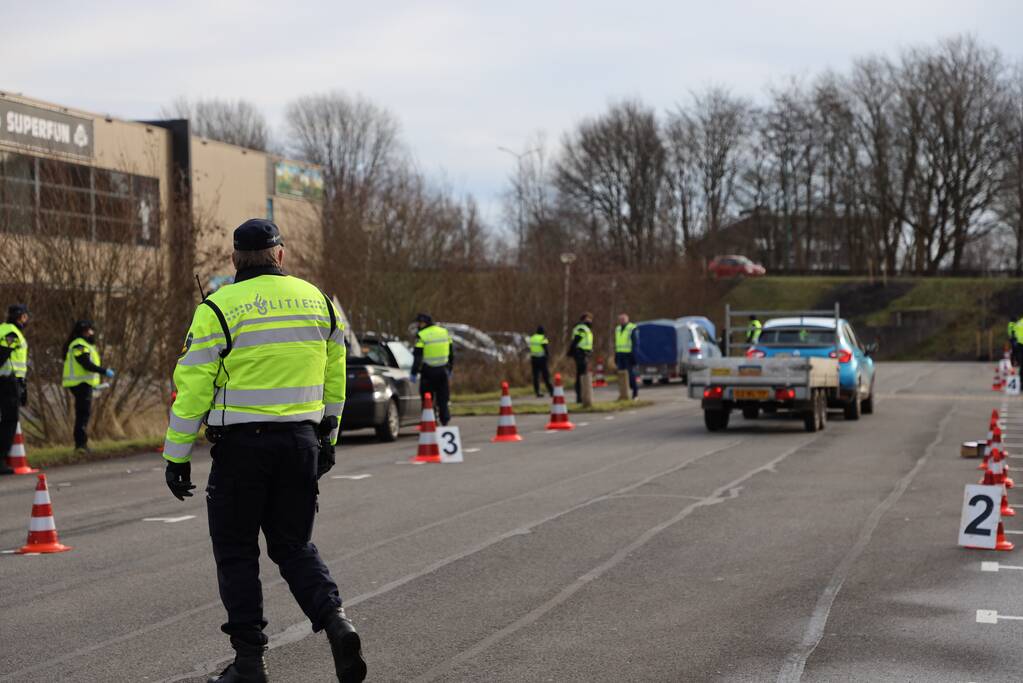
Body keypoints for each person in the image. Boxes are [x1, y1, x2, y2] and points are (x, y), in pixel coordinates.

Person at [162, 219, 366, 683]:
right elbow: (334, 376)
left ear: (235, 258)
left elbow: (192, 389)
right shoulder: (319, 301)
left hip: (242, 450)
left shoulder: (217, 308)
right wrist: (328, 437)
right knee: (293, 545)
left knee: (236, 553)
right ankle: (336, 621)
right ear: (280, 255)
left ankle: (250, 663)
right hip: (300, 444)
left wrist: (176, 456)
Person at [61, 320, 115, 453]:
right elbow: (85, 364)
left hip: (84, 384)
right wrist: (104, 371)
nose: (92, 333)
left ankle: (81, 444)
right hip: (80, 384)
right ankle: (80, 445)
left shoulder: (84, 344)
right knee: (83, 414)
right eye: (90, 330)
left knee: (84, 414)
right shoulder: (79, 345)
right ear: (84, 331)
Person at [0, 304, 29, 476]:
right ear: (20, 317)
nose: (26, 320)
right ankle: (1, 460)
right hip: (8, 381)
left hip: (8, 381)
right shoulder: (12, 333)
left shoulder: (2, 329)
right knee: (10, 420)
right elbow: (2, 354)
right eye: (25, 316)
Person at [411, 313, 453, 426]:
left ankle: (430, 421)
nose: (418, 325)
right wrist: (450, 368)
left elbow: (417, 356)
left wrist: (414, 372)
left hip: (428, 372)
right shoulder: (444, 332)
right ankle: (445, 420)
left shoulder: (422, 335)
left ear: (424, 323)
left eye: (419, 323)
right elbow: (451, 352)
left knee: (427, 398)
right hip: (443, 370)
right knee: (443, 397)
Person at [567, 312, 594, 404]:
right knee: (581, 375)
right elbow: (577, 339)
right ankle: (580, 396)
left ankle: (581, 396)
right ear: (584, 319)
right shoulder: (581, 327)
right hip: (580, 353)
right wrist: (571, 351)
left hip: (583, 353)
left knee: (582, 374)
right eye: (588, 319)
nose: (590, 321)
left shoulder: (585, 328)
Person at [614, 313, 639, 400]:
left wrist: (633, 356)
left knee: (631, 375)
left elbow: (635, 343)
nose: (622, 321)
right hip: (620, 355)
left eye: (623, 319)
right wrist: (616, 355)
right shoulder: (617, 329)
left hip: (628, 355)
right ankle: (623, 395)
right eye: (620, 319)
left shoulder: (632, 328)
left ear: (627, 319)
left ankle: (635, 394)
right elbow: (617, 343)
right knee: (621, 375)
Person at [528, 325, 554, 397]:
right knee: (546, 376)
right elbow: (545, 348)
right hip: (542, 359)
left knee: (536, 376)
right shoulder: (543, 338)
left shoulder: (532, 338)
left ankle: (537, 392)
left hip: (534, 359)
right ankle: (551, 391)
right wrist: (548, 357)